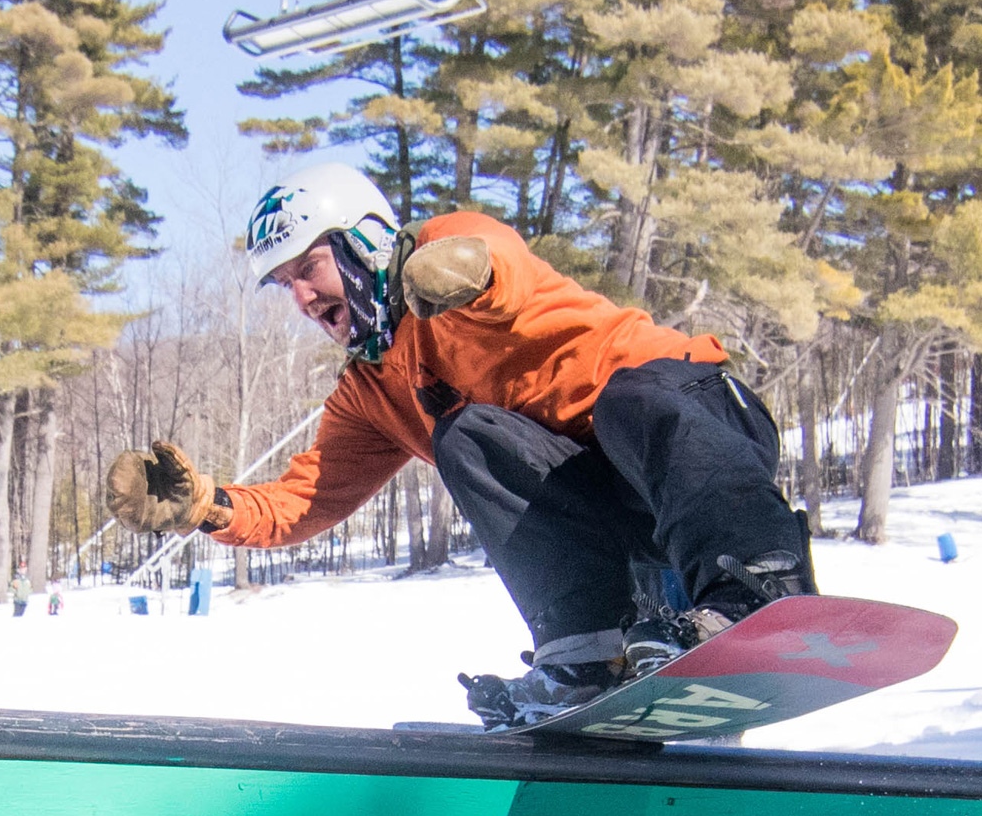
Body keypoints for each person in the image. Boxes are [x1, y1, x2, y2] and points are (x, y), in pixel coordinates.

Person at [103, 162, 816, 729]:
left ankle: (760, 583)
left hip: (699, 439)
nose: (303, 300)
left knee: (630, 396)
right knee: (467, 437)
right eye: (285, 286)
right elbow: (305, 498)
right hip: (623, 519)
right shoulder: (370, 392)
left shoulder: (445, 254)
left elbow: (500, 266)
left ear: (363, 244)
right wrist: (206, 507)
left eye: (308, 269)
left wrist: (465, 271)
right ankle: (588, 658)